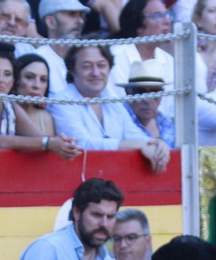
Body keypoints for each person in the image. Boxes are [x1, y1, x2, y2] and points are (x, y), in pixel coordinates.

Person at [50, 39, 172, 171]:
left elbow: (135, 135)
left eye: (101, 65)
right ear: (72, 70)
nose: (96, 73)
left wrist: (157, 144)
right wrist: (138, 145)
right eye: (87, 66)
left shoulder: (113, 103)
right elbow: (82, 144)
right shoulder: (61, 102)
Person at [0, 45, 81, 152]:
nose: (0, 80)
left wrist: (63, 143)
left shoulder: (10, 106)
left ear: (13, 80)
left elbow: (38, 137)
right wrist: (48, 143)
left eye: (7, 74)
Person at [34, 0, 89, 96]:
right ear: (51, 22)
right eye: (72, 14)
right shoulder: (38, 60)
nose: (80, 21)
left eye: (80, 15)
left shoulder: (89, 59)